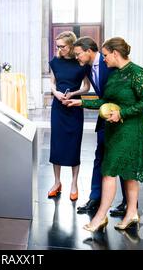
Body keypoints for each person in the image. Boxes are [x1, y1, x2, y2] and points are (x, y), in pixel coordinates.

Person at [66, 37, 143, 232]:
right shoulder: (114, 75)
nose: (103, 59)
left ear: (115, 53)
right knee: (127, 173)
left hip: (131, 130)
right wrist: (81, 103)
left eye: (105, 55)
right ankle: (131, 213)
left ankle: (100, 217)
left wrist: (122, 113)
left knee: (109, 172)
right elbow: (105, 100)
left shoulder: (138, 73)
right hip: (114, 129)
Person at [70, 36, 129, 217]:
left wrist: (83, 104)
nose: (77, 58)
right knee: (99, 158)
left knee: (122, 161)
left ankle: (128, 203)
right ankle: (95, 198)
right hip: (104, 118)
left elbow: (119, 93)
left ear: (89, 51)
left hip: (119, 118)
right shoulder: (87, 67)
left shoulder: (109, 63)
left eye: (78, 54)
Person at [48, 31, 90, 201]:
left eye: (62, 46)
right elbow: (52, 83)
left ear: (72, 45)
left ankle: (74, 183)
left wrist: (73, 93)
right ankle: (57, 182)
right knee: (56, 144)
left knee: (74, 144)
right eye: (57, 46)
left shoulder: (81, 62)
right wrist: (57, 94)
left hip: (74, 107)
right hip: (58, 106)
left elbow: (86, 87)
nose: (59, 49)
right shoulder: (55, 62)